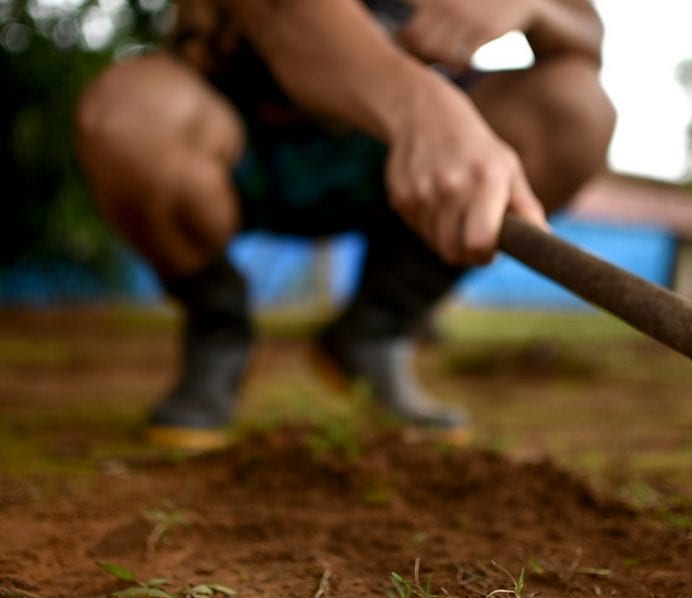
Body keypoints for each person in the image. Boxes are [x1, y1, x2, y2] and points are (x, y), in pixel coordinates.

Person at [74, 0, 615, 451]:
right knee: (130, 113)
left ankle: (374, 332)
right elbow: (284, 16)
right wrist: (425, 112)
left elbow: (584, 33)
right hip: (239, 141)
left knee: (573, 107)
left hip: (389, 163)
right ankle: (219, 328)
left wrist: (532, 5)